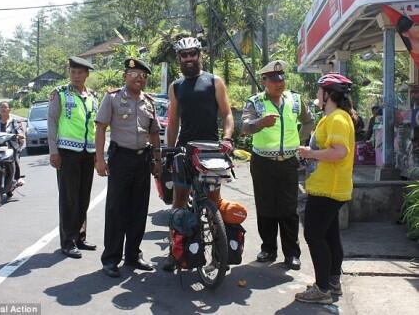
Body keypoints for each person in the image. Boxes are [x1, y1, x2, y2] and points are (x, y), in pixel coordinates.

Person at [162, 37, 234, 271]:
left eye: (193, 53)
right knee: (179, 203)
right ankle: (176, 254)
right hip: (184, 149)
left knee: (214, 203)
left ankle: (217, 256)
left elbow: (227, 114)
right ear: (179, 58)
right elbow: (172, 122)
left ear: (200, 54)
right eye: (184, 55)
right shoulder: (176, 86)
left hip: (212, 149)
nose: (189, 58)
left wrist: (227, 138)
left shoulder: (215, 81)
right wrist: (168, 153)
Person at [241, 60, 313, 270]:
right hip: (263, 162)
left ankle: (292, 254)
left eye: (281, 79)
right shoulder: (255, 102)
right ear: (264, 81)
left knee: (289, 209)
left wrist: (298, 140)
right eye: (273, 80)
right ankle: (268, 249)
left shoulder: (296, 100)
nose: (278, 84)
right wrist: (260, 123)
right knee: (265, 206)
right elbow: (244, 127)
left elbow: (309, 121)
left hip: (288, 162)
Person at [95, 58, 161, 278]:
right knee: (116, 209)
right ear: (125, 76)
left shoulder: (149, 102)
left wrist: (158, 160)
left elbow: (154, 133)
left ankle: (133, 254)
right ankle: (111, 258)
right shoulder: (112, 98)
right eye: (134, 75)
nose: (139, 79)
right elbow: (101, 128)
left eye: (143, 76)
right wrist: (100, 160)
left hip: (143, 160)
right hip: (120, 158)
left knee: (139, 209)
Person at [295, 73, 355, 304]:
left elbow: (340, 152)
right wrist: (309, 154)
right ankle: (331, 282)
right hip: (328, 186)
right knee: (330, 235)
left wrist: (310, 153)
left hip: (328, 188)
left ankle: (322, 289)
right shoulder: (331, 117)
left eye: (320, 91)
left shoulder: (337, 119)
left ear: (328, 94)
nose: (317, 95)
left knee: (314, 234)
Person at [48, 56, 98, 259]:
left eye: (80, 73)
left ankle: (80, 237)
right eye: (73, 72)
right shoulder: (59, 93)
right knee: (69, 199)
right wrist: (53, 151)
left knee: (83, 197)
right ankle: (67, 242)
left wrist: (98, 154)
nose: (76, 76)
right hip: (67, 153)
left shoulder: (93, 96)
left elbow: (95, 126)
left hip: (88, 152)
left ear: (87, 74)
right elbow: (52, 121)